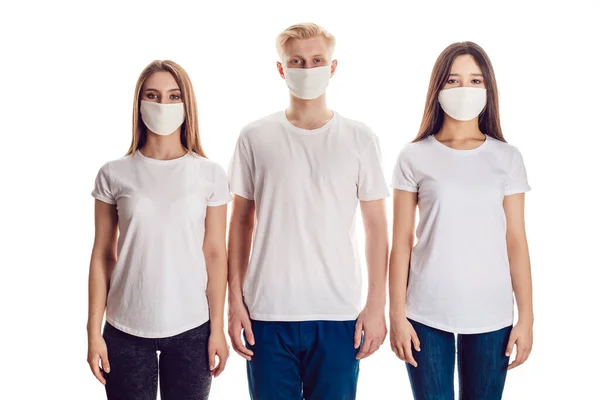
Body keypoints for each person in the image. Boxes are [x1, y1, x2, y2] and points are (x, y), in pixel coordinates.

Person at [227, 23, 389, 400]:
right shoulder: (255, 136)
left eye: (317, 60)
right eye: (297, 61)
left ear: (333, 67)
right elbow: (239, 223)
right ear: (281, 69)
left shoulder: (360, 138)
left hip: (337, 313)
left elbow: (378, 228)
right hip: (267, 314)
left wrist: (376, 304)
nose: (308, 68)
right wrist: (233, 302)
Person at [388, 42, 534, 400]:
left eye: (474, 80)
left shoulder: (507, 158)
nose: (464, 89)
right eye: (453, 81)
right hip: (425, 311)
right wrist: (396, 315)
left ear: (488, 89)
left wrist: (527, 316)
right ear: (437, 89)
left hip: (492, 312)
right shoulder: (414, 156)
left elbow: (515, 239)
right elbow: (401, 240)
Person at [86, 60, 230, 400]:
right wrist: (94, 332)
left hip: (192, 328)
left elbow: (215, 253)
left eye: (173, 96)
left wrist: (218, 329)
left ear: (186, 104)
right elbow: (102, 254)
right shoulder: (114, 173)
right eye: (152, 95)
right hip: (124, 329)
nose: (162, 105)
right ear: (139, 104)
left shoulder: (210, 174)